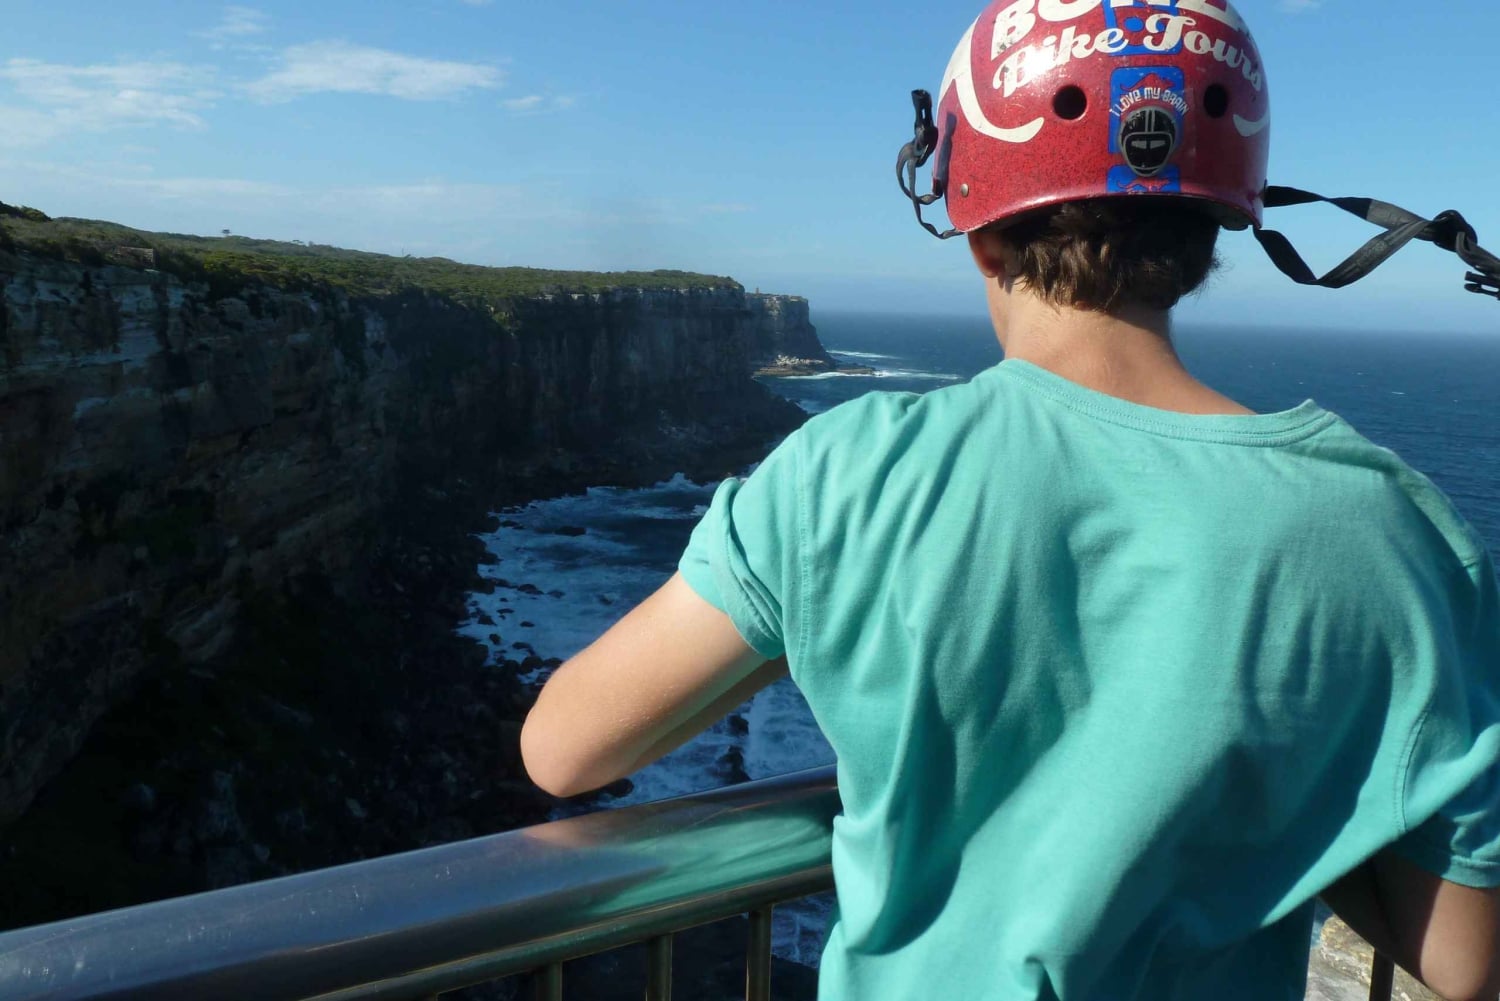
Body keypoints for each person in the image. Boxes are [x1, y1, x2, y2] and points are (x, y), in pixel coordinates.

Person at [521, 1, 1500, 998]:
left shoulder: (845, 470)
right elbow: (1464, 957)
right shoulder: (1393, 527)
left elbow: (565, 744)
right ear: (1216, 228)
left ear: (981, 231)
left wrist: (816, 631)